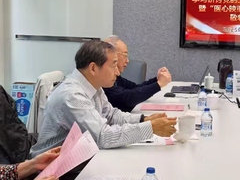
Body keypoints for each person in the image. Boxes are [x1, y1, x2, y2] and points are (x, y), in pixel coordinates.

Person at [31, 39, 177, 155]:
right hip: (53, 171)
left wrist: (143, 119)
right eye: (113, 66)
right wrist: (150, 128)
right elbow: (102, 137)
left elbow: (112, 115)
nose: (117, 73)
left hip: (78, 159)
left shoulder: (94, 86)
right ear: (93, 68)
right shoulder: (72, 95)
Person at [102, 36, 172, 112]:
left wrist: (157, 80)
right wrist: (159, 84)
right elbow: (128, 99)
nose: (127, 61)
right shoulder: (104, 80)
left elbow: (135, 88)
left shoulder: (116, 78)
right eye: (125, 55)